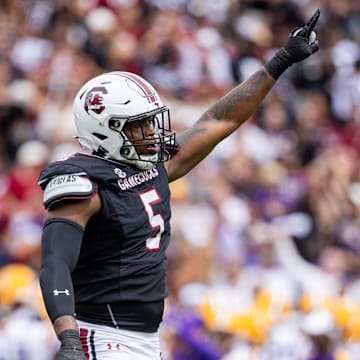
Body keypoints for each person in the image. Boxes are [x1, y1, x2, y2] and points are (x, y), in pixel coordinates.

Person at [38, 9, 321, 360]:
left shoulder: (154, 165)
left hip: (145, 338)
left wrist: (279, 62)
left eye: (149, 122)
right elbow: (55, 263)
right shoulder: (84, 184)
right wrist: (68, 337)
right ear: (104, 128)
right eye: (137, 126)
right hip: (101, 335)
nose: (151, 133)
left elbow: (220, 119)